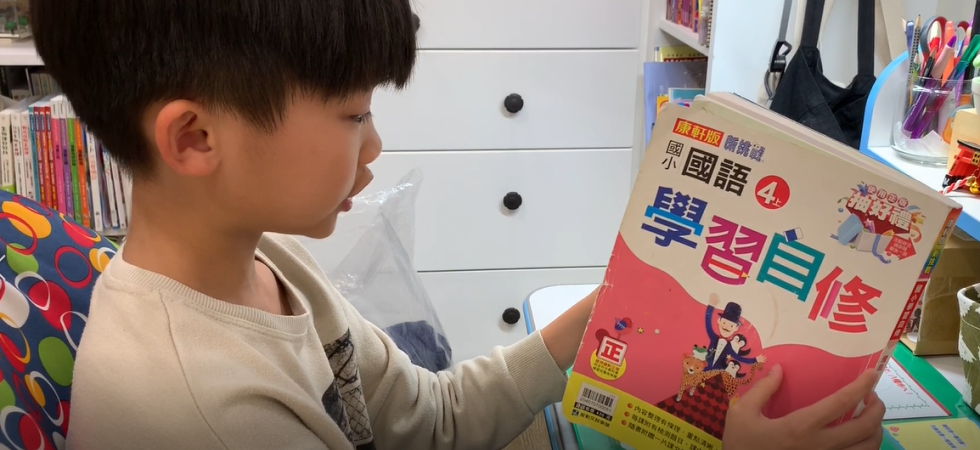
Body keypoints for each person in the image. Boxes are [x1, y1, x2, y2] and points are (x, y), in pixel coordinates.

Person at [28, 1, 886, 449]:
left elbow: (428, 421)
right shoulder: (199, 416)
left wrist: (586, 327)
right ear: (195, 139)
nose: (374, 145)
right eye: (352, 115)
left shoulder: (271, 261)